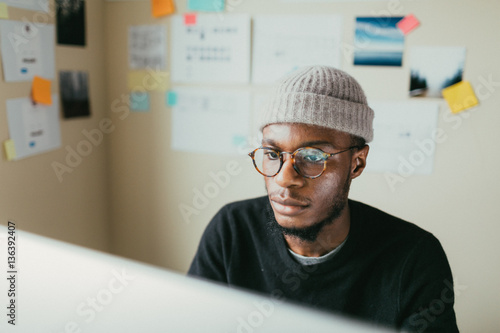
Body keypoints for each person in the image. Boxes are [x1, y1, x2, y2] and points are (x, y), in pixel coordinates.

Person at [188, 66, 458, 332]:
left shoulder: (413, 257)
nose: (284, 178)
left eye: (313, 157)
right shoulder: (232, 231)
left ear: (357, 163)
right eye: (272, 154)